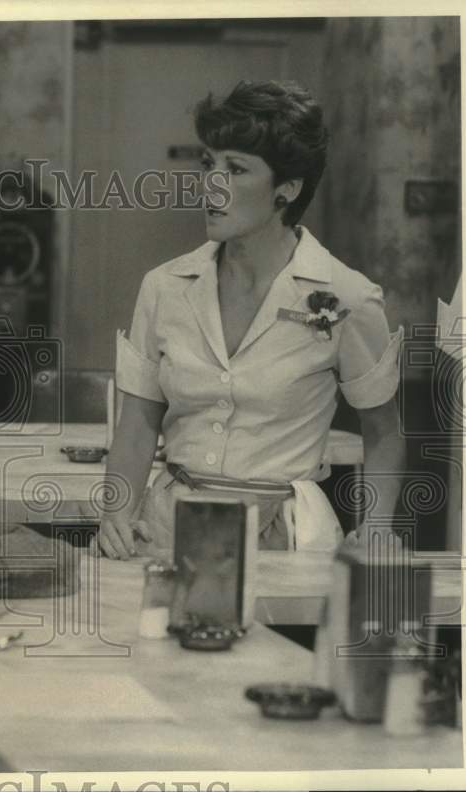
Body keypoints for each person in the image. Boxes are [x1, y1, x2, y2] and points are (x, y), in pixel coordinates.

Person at [98, 80, 405, 560]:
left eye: (236, 169)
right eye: (208, 165)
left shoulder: (347, 296)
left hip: (285, 540)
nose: (211, 184)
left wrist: (379, 528)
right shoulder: (164, 286)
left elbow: (384, 430)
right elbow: (138, 420)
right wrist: (116, 513)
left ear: (287, 188)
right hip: (166, 531)